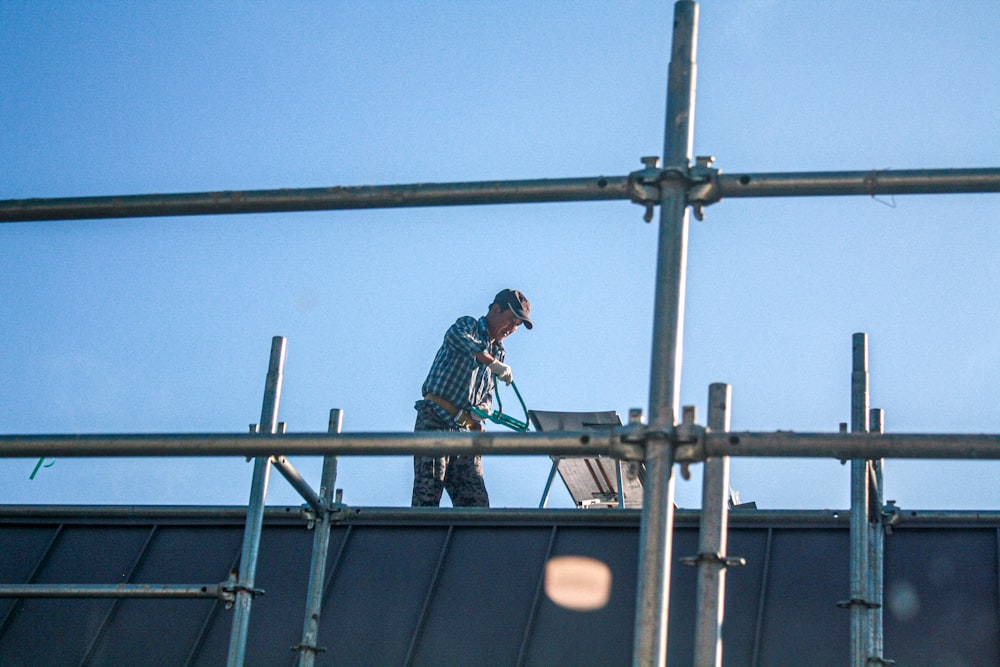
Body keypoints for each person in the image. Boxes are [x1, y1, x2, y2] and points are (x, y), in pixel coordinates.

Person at [411, 289, 533, 507]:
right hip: (436, 421)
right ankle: (418, 539)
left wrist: (481, 415)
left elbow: (486, 395)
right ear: (496, 310)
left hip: (465, 434)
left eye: (517, 326)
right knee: (427, 497)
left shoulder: (499, 352)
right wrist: (490, 361)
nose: (512, 329)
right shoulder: (468, 326)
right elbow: (458, 339)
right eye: (510, 321)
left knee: (476, 505)